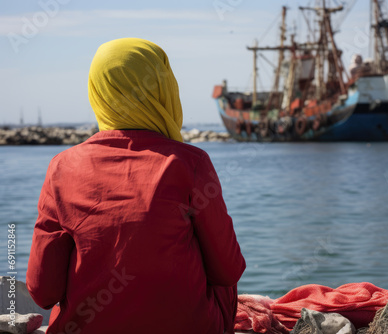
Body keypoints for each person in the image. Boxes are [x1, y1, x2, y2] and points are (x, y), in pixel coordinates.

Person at [26, 38, 246, 334]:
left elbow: (43, 291)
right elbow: (229, 269)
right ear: (165, 87)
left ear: (97, 92)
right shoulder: (190, 162)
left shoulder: (62, 167)